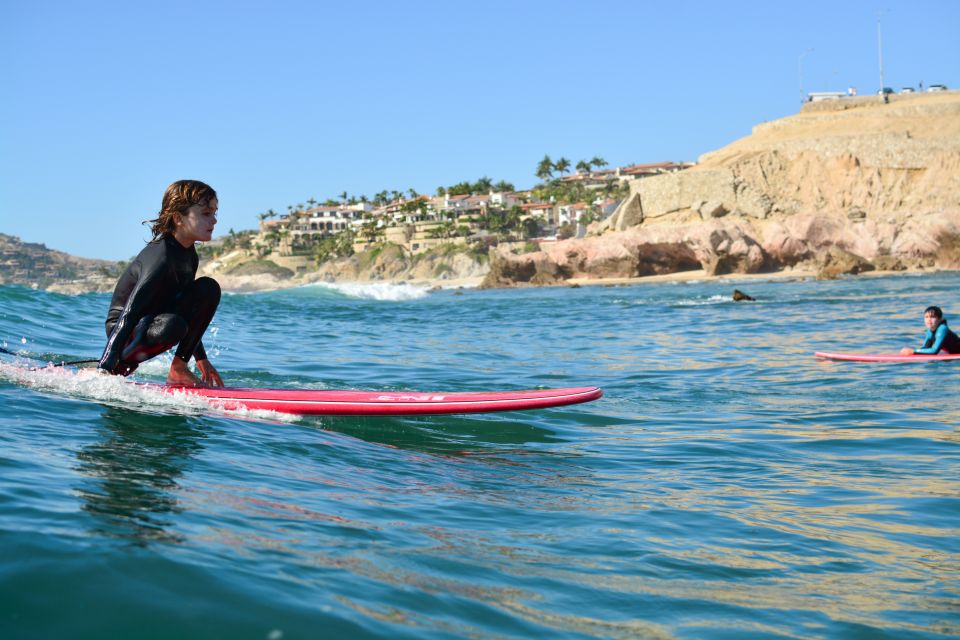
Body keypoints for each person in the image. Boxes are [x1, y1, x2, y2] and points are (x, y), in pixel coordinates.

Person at [98, 180, 224, 387]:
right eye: (206, 214)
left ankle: (179, 369)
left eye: (214, 213)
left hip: (158, 322)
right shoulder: (161, 257)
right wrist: (106, 367)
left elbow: (190, 312)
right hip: (126, 332)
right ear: (178, 218)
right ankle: (118, 366)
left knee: (208, 288)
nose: (214, 221)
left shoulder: (189, 255)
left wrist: (201, 358)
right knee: (173, 325)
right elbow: (129, 314)